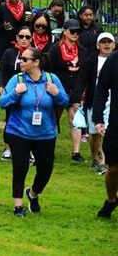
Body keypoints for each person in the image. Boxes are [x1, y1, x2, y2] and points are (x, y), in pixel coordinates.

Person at [0, 47, 69, 217]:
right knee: (20, 167)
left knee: (45, 169)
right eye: (21, 59)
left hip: (45, 133)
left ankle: (33, 193)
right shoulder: (17, 79)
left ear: (36, 62)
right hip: (19, 131)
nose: (20, 61)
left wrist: (56, 93)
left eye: (25, 59)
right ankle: (18, 205)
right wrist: (16, 93)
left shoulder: (51, 79)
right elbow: (2, 103)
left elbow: (65, 101)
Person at [71, 32, 115, 174]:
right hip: (94, 101)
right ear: (98, 45)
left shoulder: (115, 60)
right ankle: (95, 157)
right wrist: (76, 99)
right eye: (103, 42)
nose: (106, 45)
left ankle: (104, 161)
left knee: (107, 132)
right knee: (94, 134)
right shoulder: (91, 60)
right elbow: (81, 80)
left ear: (114, 45)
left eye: (109, 42)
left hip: (112, 102)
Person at [48, 19, 89, 162]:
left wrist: (81, 92)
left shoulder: (83, 51)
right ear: (64, 31)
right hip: (58, 88)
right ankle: (49, 150)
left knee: (75, 119)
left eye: (78, 31)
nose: (75, 34)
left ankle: (76, 152)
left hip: (76, 89)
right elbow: (49, 70)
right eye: (72, 31)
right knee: (53, 119)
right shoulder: (54, 49)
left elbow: (85, 73)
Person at [0, 26, 34, 161]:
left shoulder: (34, 54)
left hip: (30, 92)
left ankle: (29, 150)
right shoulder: (9, 52)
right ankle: (8, 148)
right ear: (17, 38)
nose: (24, 39)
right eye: (21, 36)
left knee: (29, 119)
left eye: (27, 37)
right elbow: (1, 70)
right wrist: (1, 86)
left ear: (31, 38)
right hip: (12, 91)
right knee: (10, 119)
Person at [92, 42, 118, 218]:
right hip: (116, 123)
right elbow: (101, 88)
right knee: (114, 167)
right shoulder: (114, 60)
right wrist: (98, 119)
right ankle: (111, 200)